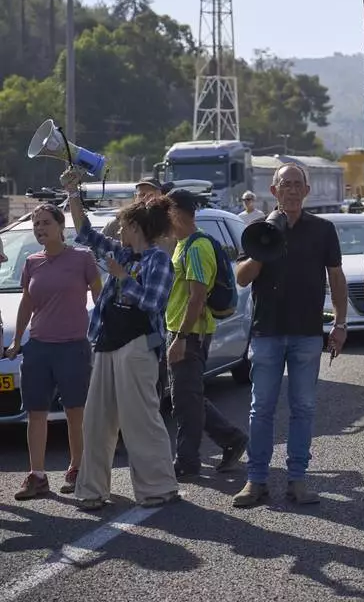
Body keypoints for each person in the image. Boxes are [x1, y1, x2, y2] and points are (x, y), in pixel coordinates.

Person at [62, 170, 179, 510]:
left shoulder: (159, 259)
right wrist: (72, 193)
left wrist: (124, 279)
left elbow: (154, 303)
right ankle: (91, 490)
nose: (119, 231)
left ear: (137, 228)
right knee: (96, 421)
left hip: (138, 345)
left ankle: (158, 488)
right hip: (107, 342)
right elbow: (85, 233)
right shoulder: (124, 254)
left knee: (140, 420)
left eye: (124, 225)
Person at [232, 163, 348, 508]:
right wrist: (265, 243)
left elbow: (336, 277)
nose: (293, 190)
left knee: (304, 408)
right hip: (266, 332)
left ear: (307, 191)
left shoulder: (323, 229)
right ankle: (256, 480)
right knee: (261, 409)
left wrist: (340, 324)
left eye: (298, 184)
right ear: (274, 191)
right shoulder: (257, 228)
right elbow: (242, 278)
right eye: (286, 185)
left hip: (307, 333)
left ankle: (297, 479)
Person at [3, 203, 101, 500]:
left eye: (46, 223)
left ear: (61, 227)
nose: (40, 229)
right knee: (36, 413)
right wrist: (17, 340)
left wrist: (104, 331)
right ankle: (37, 475)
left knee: (74, 411)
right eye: (36, 224)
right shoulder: (32, 262)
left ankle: (77, 468)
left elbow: (100, 297)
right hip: (39, 347)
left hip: (72, 346)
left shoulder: (82, 258)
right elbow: (26, 303)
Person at [164, 189, 248, 479]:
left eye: (165, 210)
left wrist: (181, 338)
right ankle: (232, 439)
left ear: (176, 212)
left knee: (184, 402)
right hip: (180, 330)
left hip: (191, 334)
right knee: (189, 397)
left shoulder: (197, 247)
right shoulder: (182, 244)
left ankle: (187, 462)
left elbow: (197, 297)